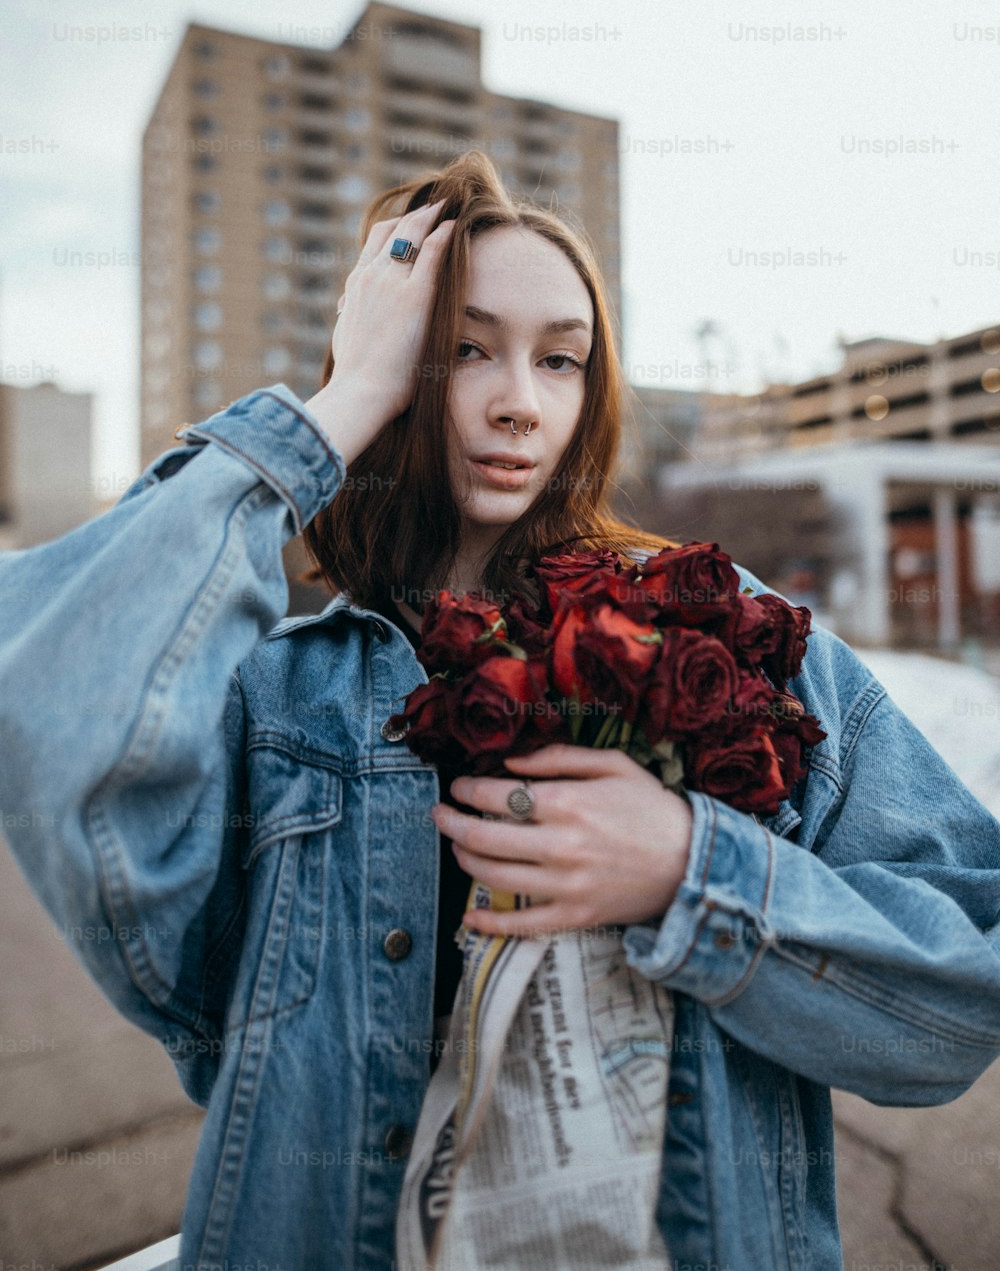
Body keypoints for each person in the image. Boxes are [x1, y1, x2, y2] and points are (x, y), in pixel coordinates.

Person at [0, 150, 998, 1271]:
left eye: (560, 360)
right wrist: (337, 410)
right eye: (463, 349)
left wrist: (694, 874)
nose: (519, 401)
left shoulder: (732, 636)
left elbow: (964, 993)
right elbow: (50, 701)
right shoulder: (279, 694)